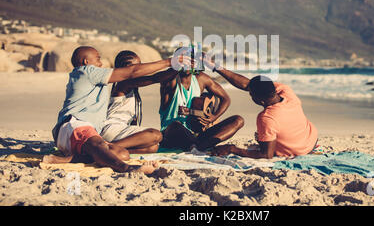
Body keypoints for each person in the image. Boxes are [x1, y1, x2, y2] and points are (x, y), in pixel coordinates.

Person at [44, 46, 183, 174]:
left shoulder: (92, 78)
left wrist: (178, 67)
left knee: (123, 154)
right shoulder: (87, 72)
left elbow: (145, 74)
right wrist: (171, 62)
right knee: (153, 135)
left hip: (76, 135)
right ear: (86, 61)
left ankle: (68, 159)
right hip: (74, 126)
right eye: (98, 59)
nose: (101, 63)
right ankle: (127, 168)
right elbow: (143, 75)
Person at [203, 55, 318, 159]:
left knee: (265, 138)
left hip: (298, 152)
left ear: (261, 101)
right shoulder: (286, 91)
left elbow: (266, 155)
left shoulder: (267, 118)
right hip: (312, 140)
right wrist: (214, 66)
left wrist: (232, 149)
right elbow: (247, 84)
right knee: (266, 135)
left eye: (251, 94)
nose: (249, 94)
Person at [158, 47, 244, 151]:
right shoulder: (170, 81)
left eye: (190, 59)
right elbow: (163, 77)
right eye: (182, 59)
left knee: (238, 120)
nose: (186, 62)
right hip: (171, 134)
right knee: (176, 125)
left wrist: (213, 117)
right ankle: (201, 146)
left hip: (197, 134)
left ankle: (198, 146)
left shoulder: (201, 79)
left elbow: (225, 98)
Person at [101, 50, 178, 154]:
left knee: (152, 147)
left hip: (121, 130)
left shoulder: (133, 88)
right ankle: (106, 148)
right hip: (112, 129)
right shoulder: (123, 84)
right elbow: (155, 78)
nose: (140, 70)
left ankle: (114, 150)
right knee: (156, 135)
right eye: (136, 67)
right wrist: (179, 67)